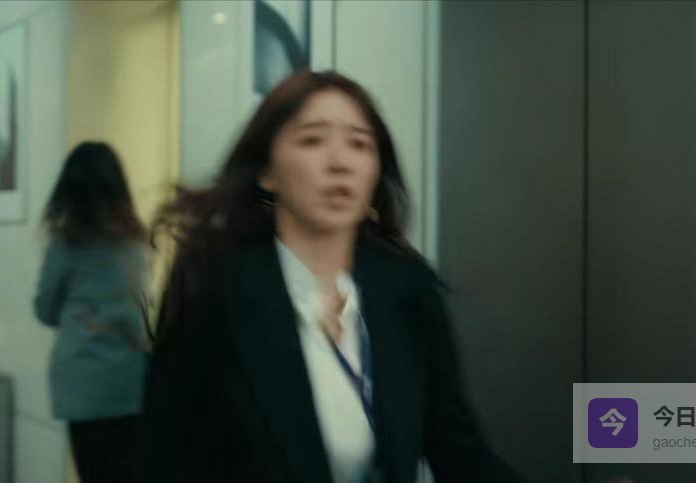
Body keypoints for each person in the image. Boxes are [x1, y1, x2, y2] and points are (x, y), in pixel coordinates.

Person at [141, 71, 526, 483]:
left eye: (359, 144)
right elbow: (166, 457)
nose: (339, 163)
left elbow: (458, 451)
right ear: (268, 172)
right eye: (312, 140)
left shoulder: (406, 289)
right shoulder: (214, 286)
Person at [34, 142, 151, 483]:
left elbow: (45, 310)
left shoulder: (64, 245)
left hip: (82, 387)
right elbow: (142, 312)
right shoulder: (136, 244)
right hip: (131, 382)